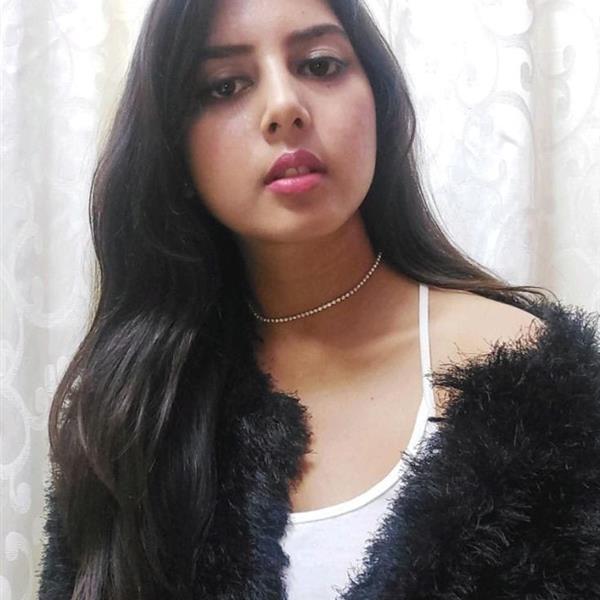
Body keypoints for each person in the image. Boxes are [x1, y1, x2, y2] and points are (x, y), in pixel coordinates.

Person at [37, 0, 600, 598]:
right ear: (175, 147)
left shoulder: (534, 384)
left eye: (320, 65)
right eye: (225, 86)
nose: (284, 107)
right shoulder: (135, 410)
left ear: (379, 99)